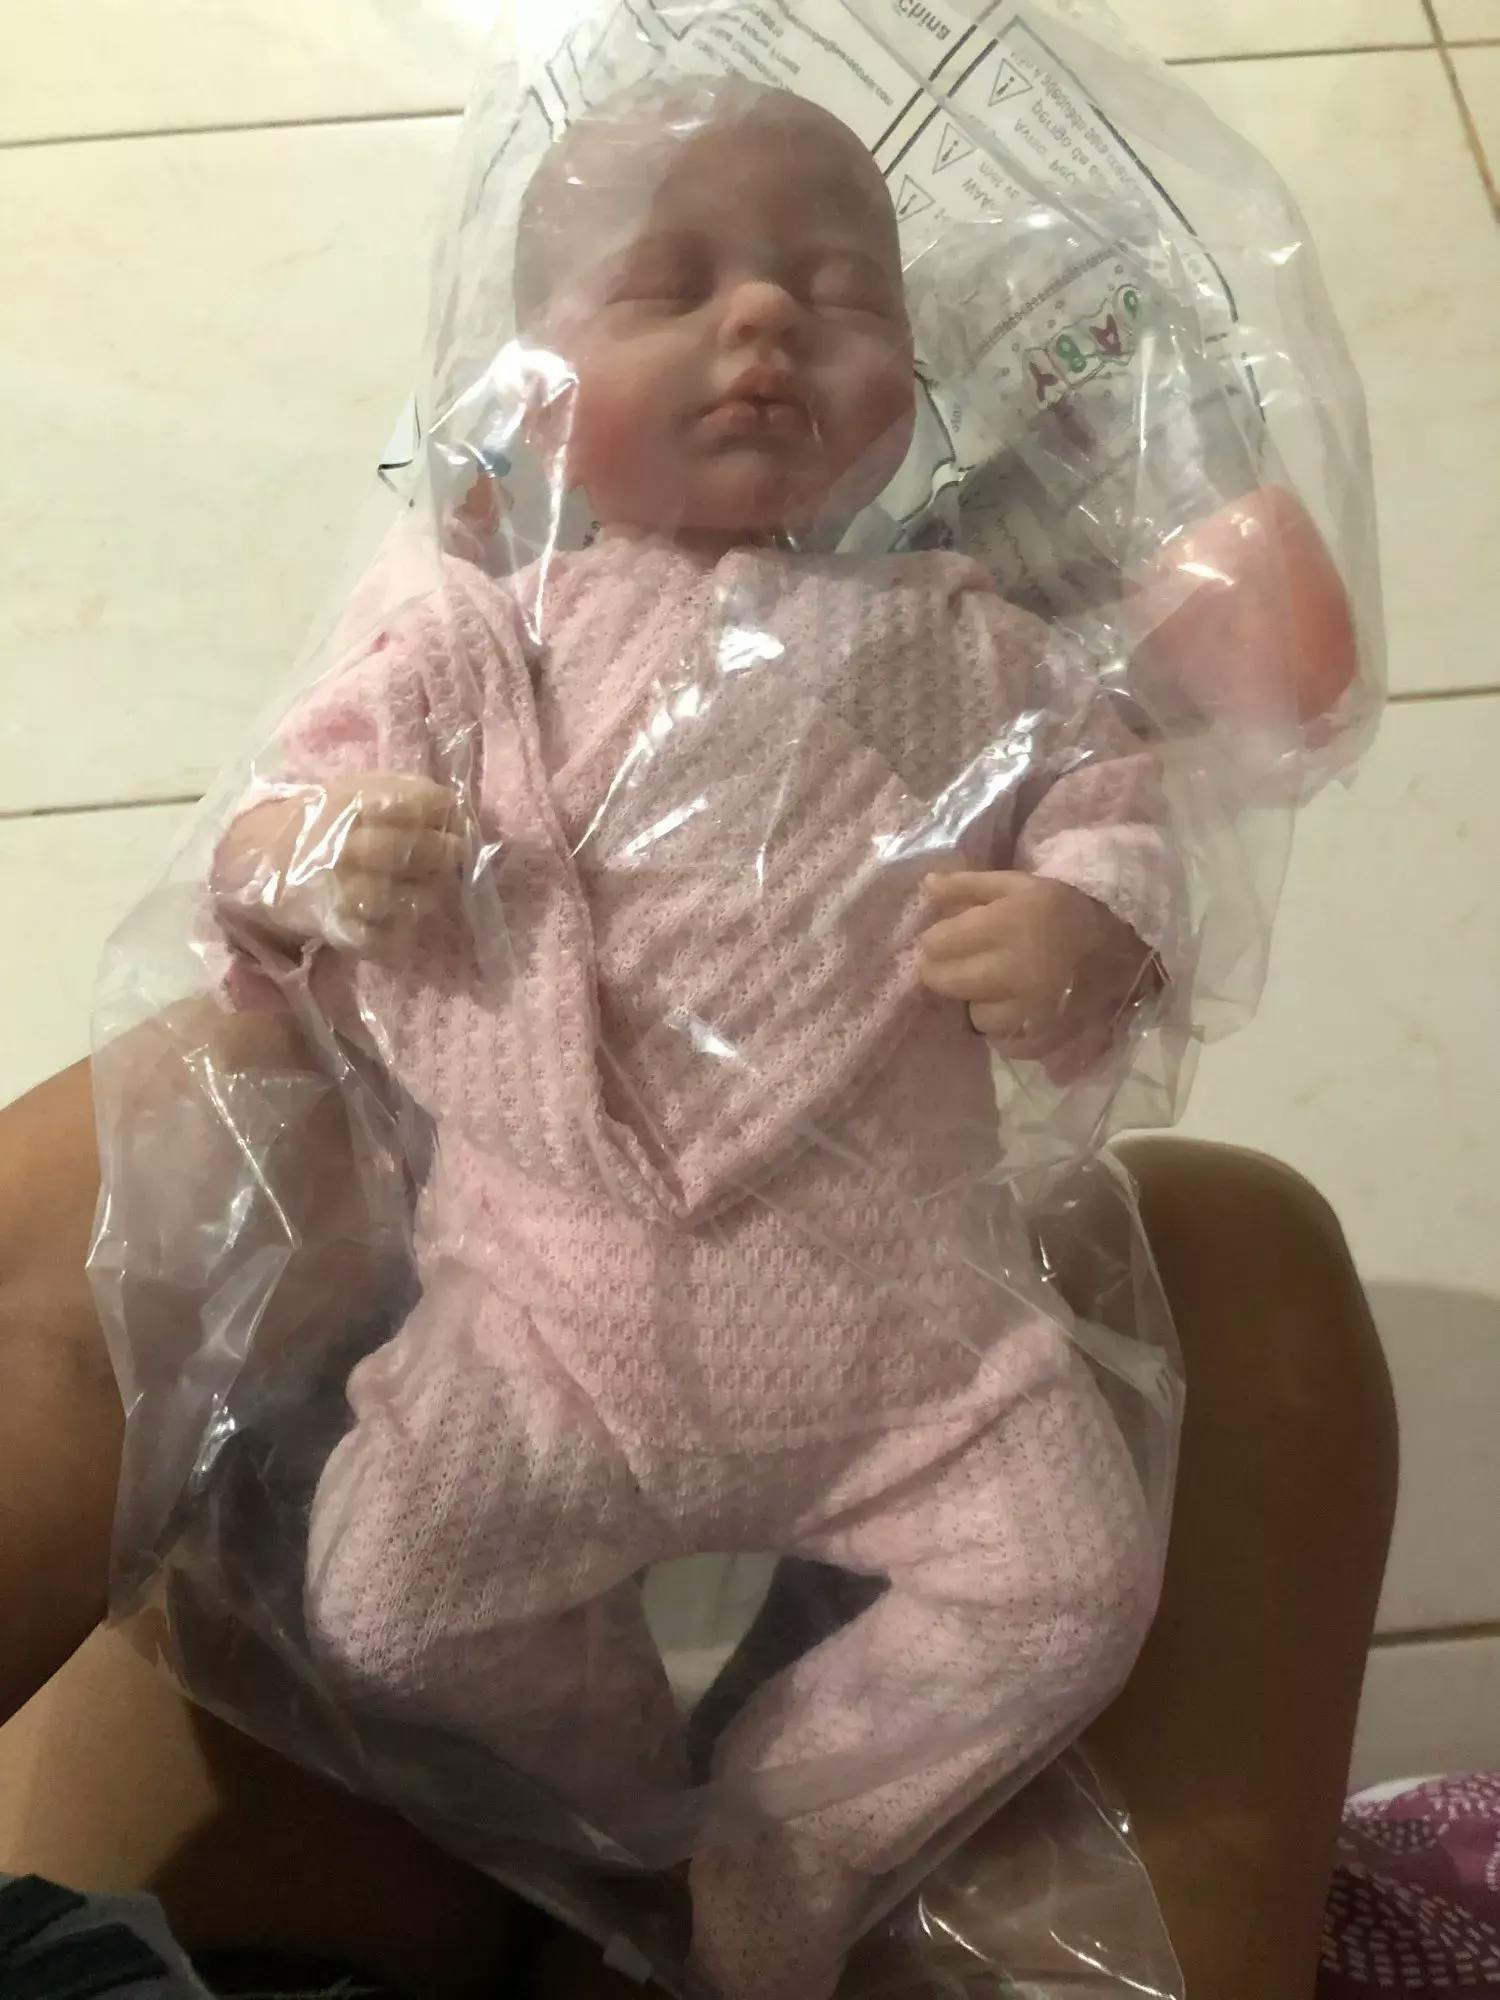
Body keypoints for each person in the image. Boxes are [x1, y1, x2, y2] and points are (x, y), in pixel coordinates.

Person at [200, 77, 1180, 1999]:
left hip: (918, 1348)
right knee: (388, 1606)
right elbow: (275, 821)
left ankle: (789, 1828)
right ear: (530, 388)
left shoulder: (964, 643)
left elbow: (1104, 795)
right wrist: (309, 856)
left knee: (1074, 1586)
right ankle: (627, 1781)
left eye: (841, 294)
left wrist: (1094, 927)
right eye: (674, 288)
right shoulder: (475, 631)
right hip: (549, 1331)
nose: (766, 325)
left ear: (903, 392)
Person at [0, 1045, 1396, 1998]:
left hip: (192, 1967)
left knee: (283, 1381)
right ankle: (727, 1844)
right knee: (1226, 1262)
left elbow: (62, 1302)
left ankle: (662, 1831)